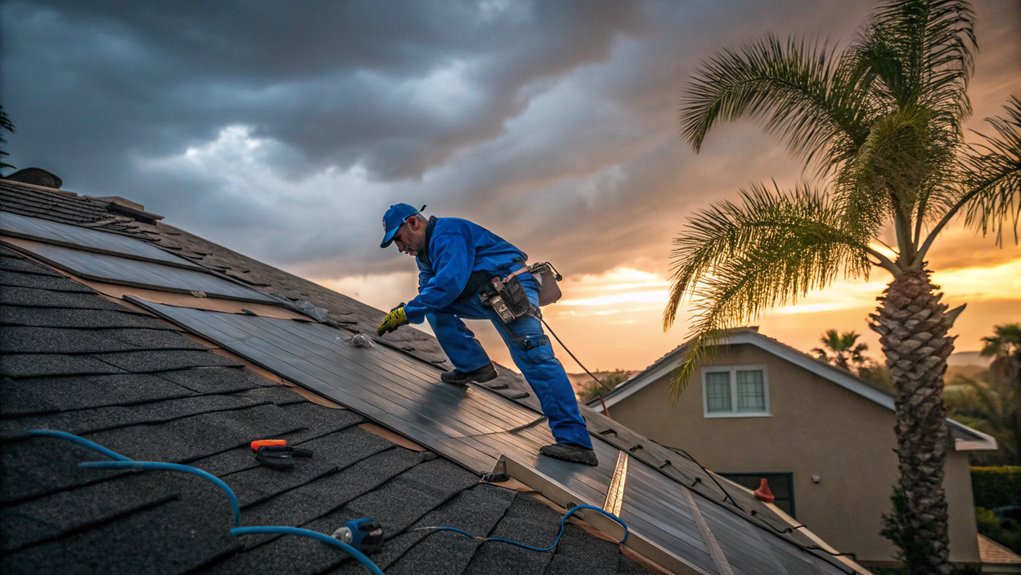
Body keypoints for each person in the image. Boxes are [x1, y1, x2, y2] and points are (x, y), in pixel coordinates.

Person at [375, 203, 597, 466]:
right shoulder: (425, 255)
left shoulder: (449, 234)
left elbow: (449, 284)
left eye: (398, 239)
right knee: (434, 307)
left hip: (511, 288)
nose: (400, 248)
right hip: (484, 294)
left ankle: (575, 442)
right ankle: (474, 365)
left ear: (413, 222)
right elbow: (429, 292)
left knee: (535, 357)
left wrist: (408, 313)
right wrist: (409, 310)